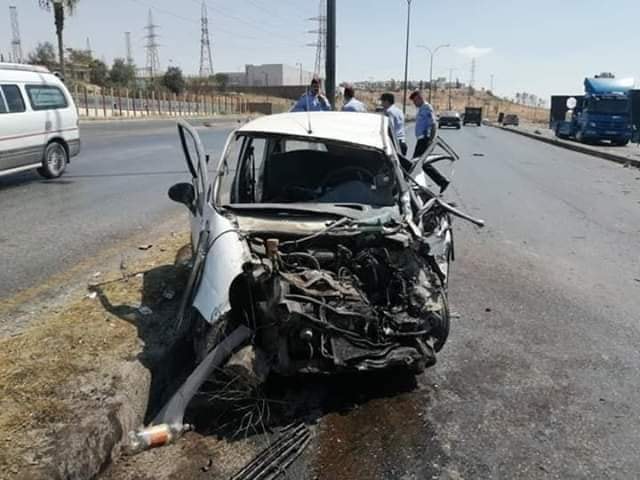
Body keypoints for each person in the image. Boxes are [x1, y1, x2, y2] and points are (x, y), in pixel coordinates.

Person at [409, 90, 449, 192]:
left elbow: (433, 124)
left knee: (416, 163)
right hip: (421, 139)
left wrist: (431, 140)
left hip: (425, 140)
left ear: (419, 98)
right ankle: (442, 181)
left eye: (415, 101)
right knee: (420, 163)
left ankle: (410, 184)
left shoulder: (427, 108)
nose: (414, 103)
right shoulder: (422, 109)